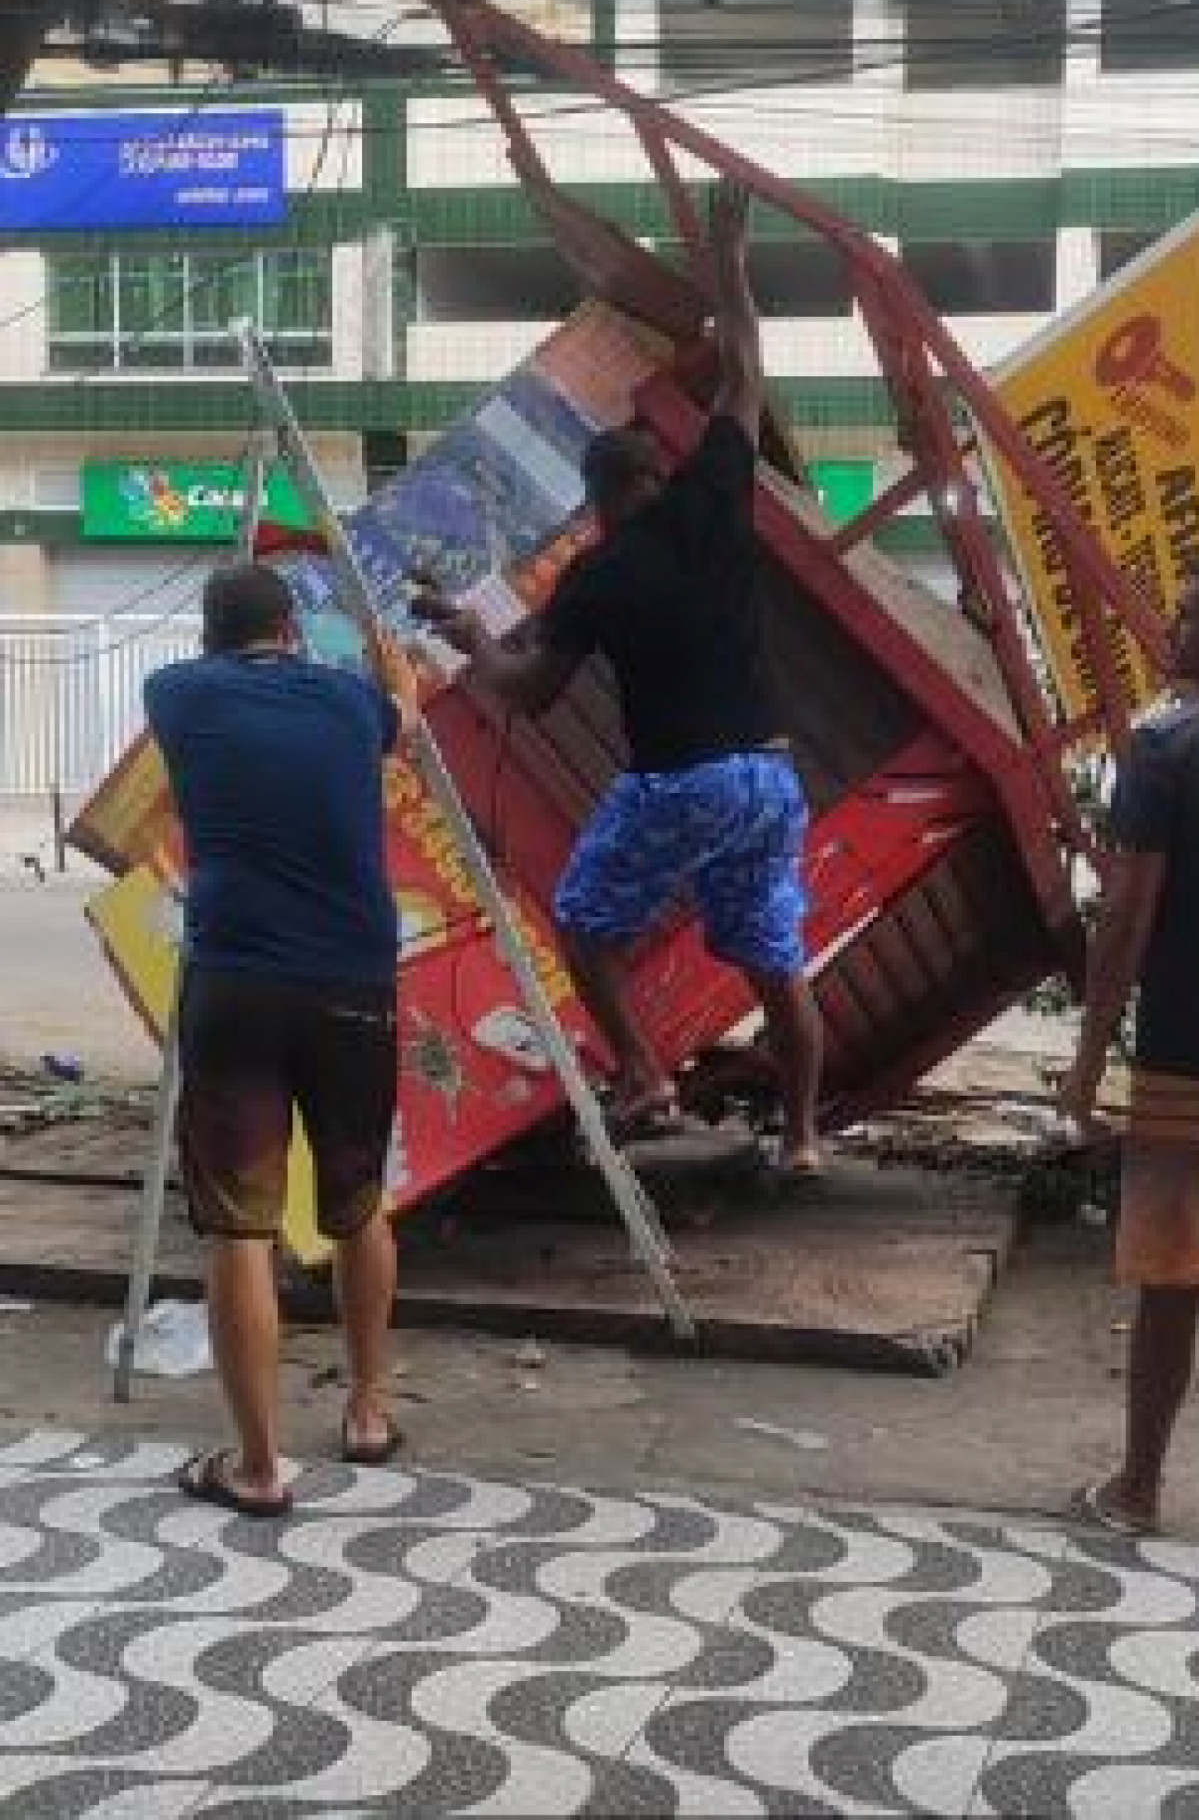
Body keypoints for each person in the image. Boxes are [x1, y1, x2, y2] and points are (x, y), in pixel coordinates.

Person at [415, 180, 822, 1171]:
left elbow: (525, 692)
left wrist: (470, 639)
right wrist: (728, 262)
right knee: (775, 964)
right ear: (659, 475)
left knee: (584, 925)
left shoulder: (598, 573)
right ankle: (803, 1140)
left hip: (680, 781)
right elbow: (744, 377)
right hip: (768, 782)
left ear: (598, 500)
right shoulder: (715, 500)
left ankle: (644, 1074)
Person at [144, 562, 415, 1517]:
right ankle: (369, 1412)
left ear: (212, 634)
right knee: (356, 1205)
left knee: (239, 1229)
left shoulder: (173, 693)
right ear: (292, 630)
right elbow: (402, 721)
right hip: (353, 983)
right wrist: (400, 684)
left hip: (236, 985)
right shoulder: (351, 705)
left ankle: (257, 1468)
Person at [1060, 575, 1199, 1534]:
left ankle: (1139, 1488)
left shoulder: (1162, 752)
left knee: (1172, 1274)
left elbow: (1123, 923)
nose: (1173, 625)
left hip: (1185, 1051)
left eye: (1189, 613)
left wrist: (1084, 1059)